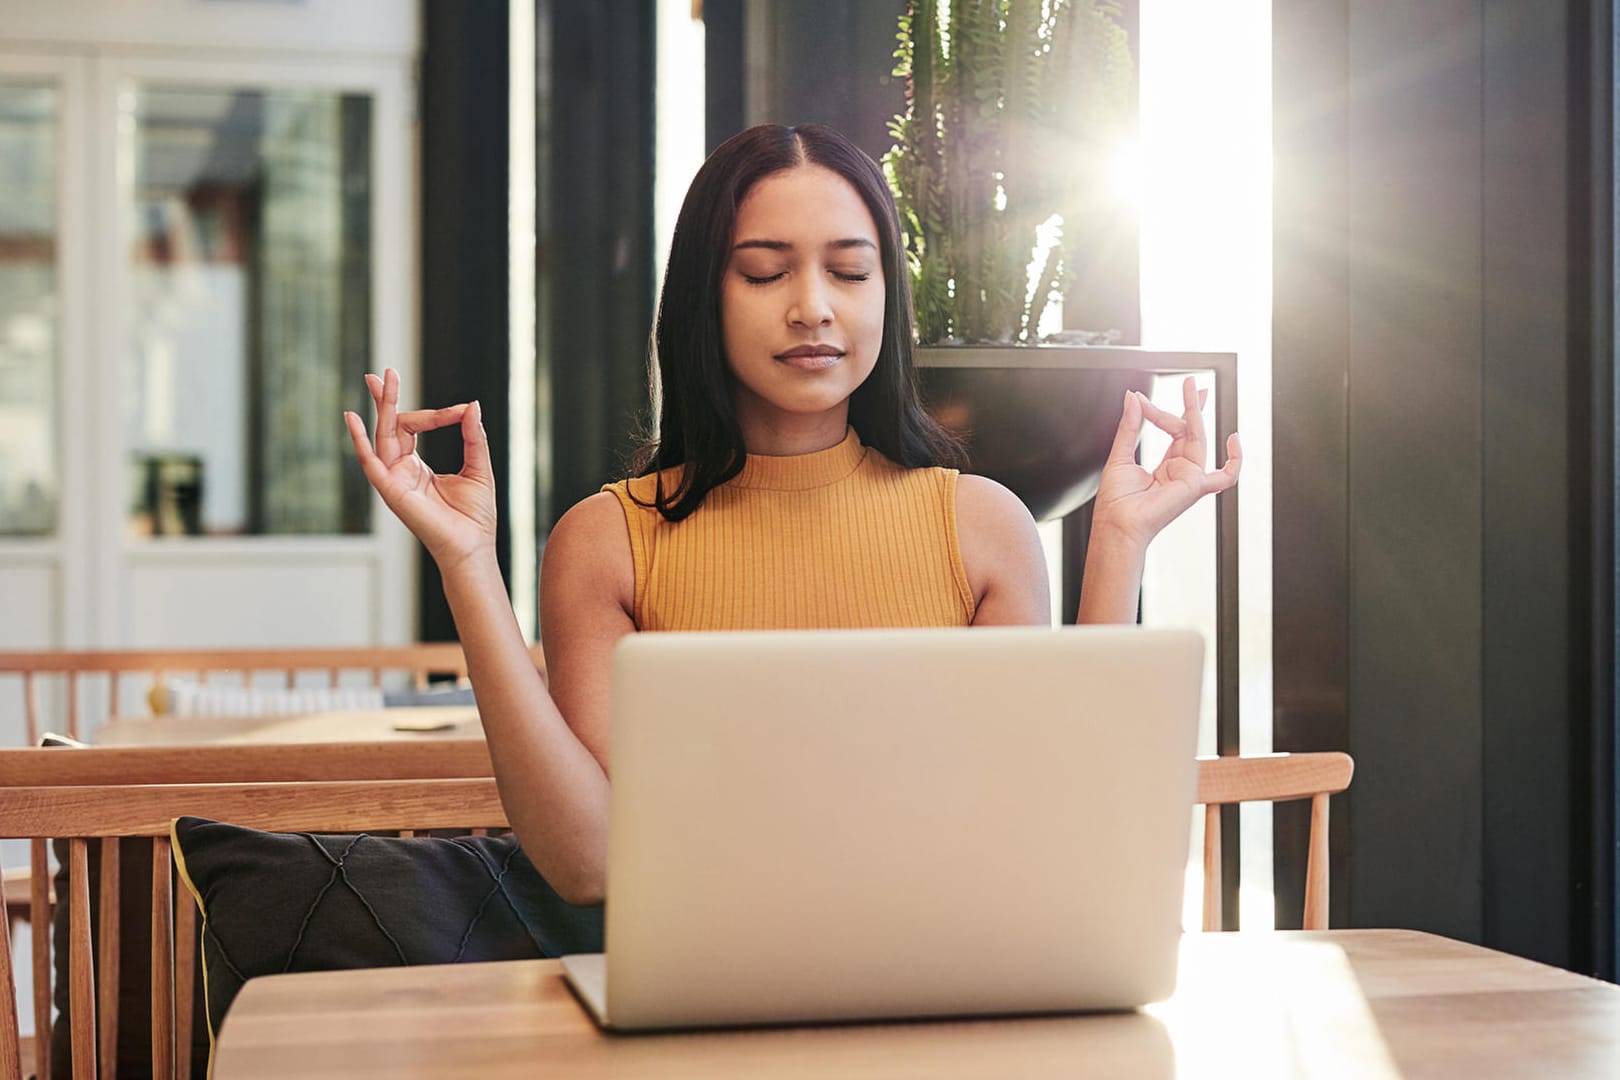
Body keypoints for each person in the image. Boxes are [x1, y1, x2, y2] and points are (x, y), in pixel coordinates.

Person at [345, 123, 1240, 908]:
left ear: (887, 295)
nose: (813, 305)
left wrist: (1119, 542)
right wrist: (466, 564)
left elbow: (1053, 826)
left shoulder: (981, 526)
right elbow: (590, 865)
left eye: (851, 270)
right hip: (701, 1006)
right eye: (766, 272)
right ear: (705, 296)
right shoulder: (609, 540)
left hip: (948, 986)